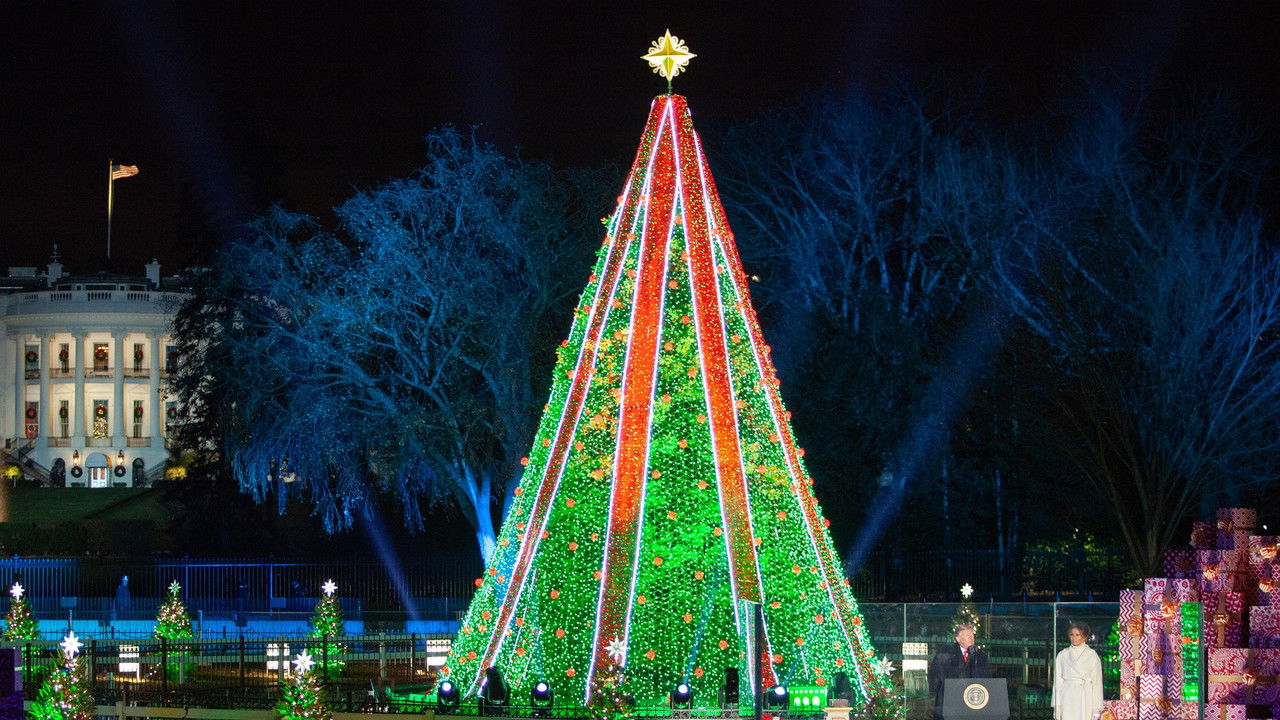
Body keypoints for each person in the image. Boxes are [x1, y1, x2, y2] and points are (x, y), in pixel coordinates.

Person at [929, 623, 992, 720]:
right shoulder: (945, 654)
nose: (971, 638)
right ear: (958, 639)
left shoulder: (981, 656)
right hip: (950, 705)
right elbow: (935, 678)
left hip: (973, 704)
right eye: (968, 635)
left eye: (972, 635)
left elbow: (987, 680)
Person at [1053, 622, 1103, 720]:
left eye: (1077, 635)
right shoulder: (1062, 655)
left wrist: (1096, 708)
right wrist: (1057, 705)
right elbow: (1057, 682)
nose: (1074, 638)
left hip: (1085, 697)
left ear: (1084, 637)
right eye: (1071, 635)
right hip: (1067, 697)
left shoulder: (1092, 655)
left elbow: (1097, 682)